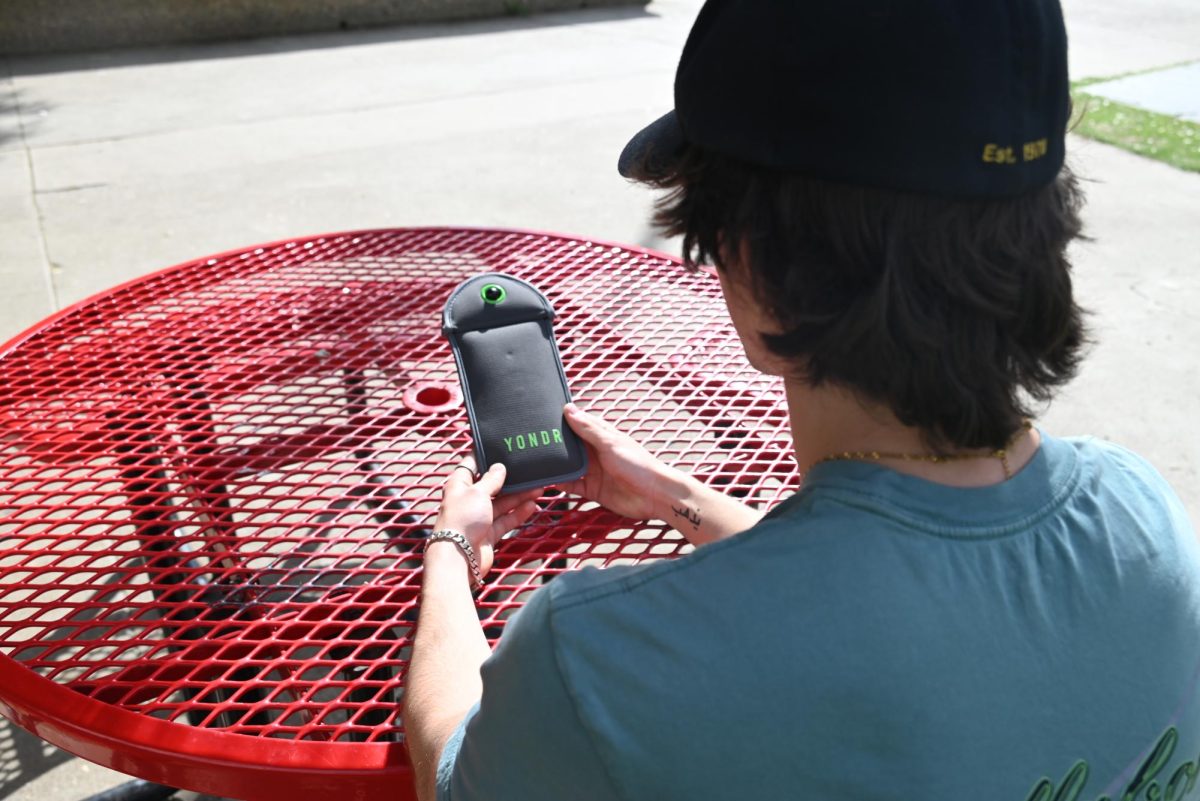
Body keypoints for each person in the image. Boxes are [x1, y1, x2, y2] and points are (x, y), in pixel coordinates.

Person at [405, 0, 1200, 799]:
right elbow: (912, 617)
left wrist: (448, 547)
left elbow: (452, 769)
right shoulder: (1146, 521)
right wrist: (677, 496)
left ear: (750, 268)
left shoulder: (595, 664)